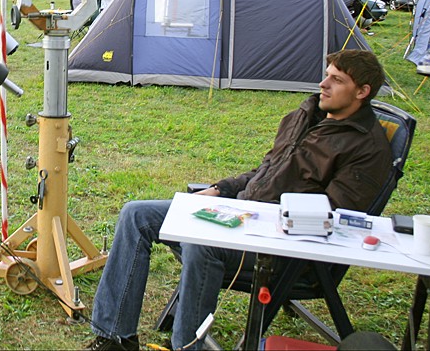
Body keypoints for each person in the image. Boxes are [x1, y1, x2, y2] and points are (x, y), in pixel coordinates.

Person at [85, 50, 393, 351]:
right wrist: (220, 190)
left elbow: (333, 217)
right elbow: (266, 170)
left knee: (202, 243)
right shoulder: (306, 115)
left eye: (336, 80)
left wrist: (261, 217)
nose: (323, 85)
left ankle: (187, 346)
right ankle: (114, 336)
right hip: (241, 213)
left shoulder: (367, 148)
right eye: (326, 76)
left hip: (279, 247)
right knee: (136, 215)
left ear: (362, 92)